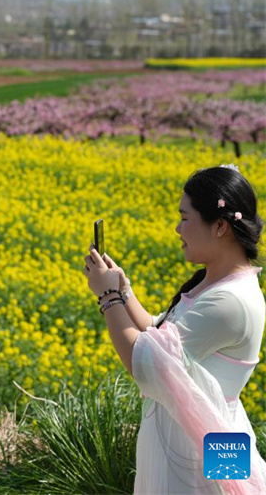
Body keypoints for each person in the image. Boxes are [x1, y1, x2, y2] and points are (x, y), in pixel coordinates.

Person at [84, 165, 266, 494]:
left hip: (196, 447)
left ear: (220, 226)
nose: (177, 228)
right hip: (208, 430)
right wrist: (124, 292)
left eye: (185, 218)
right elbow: (162, 333)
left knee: (225, 490)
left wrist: (108, 298)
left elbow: (146, 361)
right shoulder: (221, 283)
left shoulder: (232, 302)